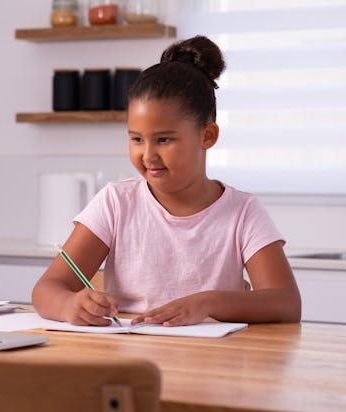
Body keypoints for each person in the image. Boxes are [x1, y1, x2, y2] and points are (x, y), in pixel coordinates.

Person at [32, 35, 301, 327]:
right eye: (136, 139)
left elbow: (286, 303)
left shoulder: (243, 211)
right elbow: (46, 290)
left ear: (207, 136)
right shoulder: (115, 202)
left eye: (164, 139)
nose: (148, 155)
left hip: (214, 362)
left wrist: (207, 302)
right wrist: (70, 304)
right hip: (132, 361)